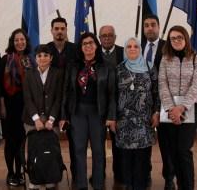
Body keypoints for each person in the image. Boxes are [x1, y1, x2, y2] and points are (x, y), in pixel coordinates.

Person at [60, 32, 116, 190]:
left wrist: (111, 116)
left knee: (98, 150)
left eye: (91, 43)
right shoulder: (73, 66)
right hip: (77, 112)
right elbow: (66, 91)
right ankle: (81, 184)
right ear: (81, 47)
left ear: (96, 46)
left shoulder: (106, 67)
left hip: (98, 113)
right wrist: (64, 116)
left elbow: (112, 95)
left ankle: (98, 184)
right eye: (85, 44)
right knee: (78, 149)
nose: (88, 46)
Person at [158, 25, 197, 190]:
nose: (176, 41)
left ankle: (187, 186)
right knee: (172, 151)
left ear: (186, 38)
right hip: (169, 109)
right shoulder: (165, 58)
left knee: (184, 150)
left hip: (190, 107)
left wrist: (182, 107)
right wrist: (172, 108)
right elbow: (162, 84)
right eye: (172, 38)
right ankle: (178, 184)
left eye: (179, 37)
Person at [115, 37, 160, 190]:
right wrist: (112, 118)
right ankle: (129, 185)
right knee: (126, 160)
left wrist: (156, 112)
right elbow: (113, 95)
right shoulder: (119, 69)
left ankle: (140, 186)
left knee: (142, 160)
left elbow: (156, 92)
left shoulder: (150, 67)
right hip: (124, 122)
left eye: (136, 46)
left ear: (140, 49)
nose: (132, 49)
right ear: (125, 50)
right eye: (129, 46)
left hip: (144, 122)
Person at [22, 44, 64, 190]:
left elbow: (58, 98)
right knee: (34, 150)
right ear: (35, 58)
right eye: (39, 55)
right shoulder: (29, 74)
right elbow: (27, 98)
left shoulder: (58, 74)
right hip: (32, 121)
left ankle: (50, 177)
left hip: (52, 122)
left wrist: (51, 119)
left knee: (50, 150)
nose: (43, 58)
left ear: (51, 58)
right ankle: (35, 177)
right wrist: (36, 119)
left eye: (46, 55)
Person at [142, 14, 175, 189]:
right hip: (141, 104)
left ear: (159, 27)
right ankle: (145, 173)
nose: (149, 28)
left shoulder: (168, 47)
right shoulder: (137, 47)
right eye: (146, 25)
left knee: (166, 143)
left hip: (164, 102)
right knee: (144, 142)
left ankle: (169, 177)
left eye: (153, 25)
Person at [0, 29, 34, 187]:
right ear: (12, 42)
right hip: (8, 105)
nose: (20, 42)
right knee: (10, 142)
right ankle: (10, 172)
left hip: (25, 106)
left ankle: (20, 172)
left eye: (22, 40)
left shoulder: (30, 60)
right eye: (16, 40)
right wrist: (1, 105)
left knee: (21, 141)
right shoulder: (5, 59)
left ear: (26, 41)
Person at [46, 17, 77, 177]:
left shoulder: (75, 49)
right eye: (56, 28)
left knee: (74, 141)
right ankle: (52, 172)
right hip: (51, 102)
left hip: (71, 102)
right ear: (51, 31)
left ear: (66, 30)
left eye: (62, 28)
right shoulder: (45, 49)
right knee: (52, 140)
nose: (59, 31)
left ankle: (76, 172)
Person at [98, 25, 124, 183]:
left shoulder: (123, 52)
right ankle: (99, 173)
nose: (107, 38)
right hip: (98, 106)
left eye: (110, 35)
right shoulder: (92, 53)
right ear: (99, 38)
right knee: (98, 144)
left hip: (119, 105)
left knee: (118, 143)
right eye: (103, 35)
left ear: (115, 37)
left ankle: (119, 174)